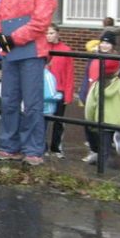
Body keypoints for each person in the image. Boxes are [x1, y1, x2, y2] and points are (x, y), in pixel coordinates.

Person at [0, 0, 58, 166]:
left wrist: (11, 39)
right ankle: (9, 146)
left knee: (32, 103)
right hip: (11, 52)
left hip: (32, 53)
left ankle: (33, 149)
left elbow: (40, 22)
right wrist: (0, 38)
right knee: (9, 100)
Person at [80, 30, 120, 163]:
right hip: (92, 94)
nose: (105, 45)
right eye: (103, 42)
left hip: (108, 98)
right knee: (89, 124)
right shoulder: (94, 58)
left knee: (106, 127)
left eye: (108, 43)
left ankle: (104, 157)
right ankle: (96, 151)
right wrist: (83, 92)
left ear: (113, 46)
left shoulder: (118, 60)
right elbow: (87, 75)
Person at [84, 58, 120, 160]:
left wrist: (90, 122)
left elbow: (90, 105)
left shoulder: (96, 85)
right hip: (119, 122)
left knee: (103, 150)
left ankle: (103, 167)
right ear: (118, 70)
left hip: (102, 121)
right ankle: (119, 141)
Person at [45, 23, 75, 157]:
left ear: (57, 34)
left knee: (58, 121)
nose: (49, 36)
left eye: (51, 33)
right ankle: (42, 147)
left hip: (59, 90)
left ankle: (56, 148)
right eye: (46, 33)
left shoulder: (65, 50)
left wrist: (68, 95)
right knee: (42, 120)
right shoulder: (42, 49)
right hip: (44, 90)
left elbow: (69, 73)